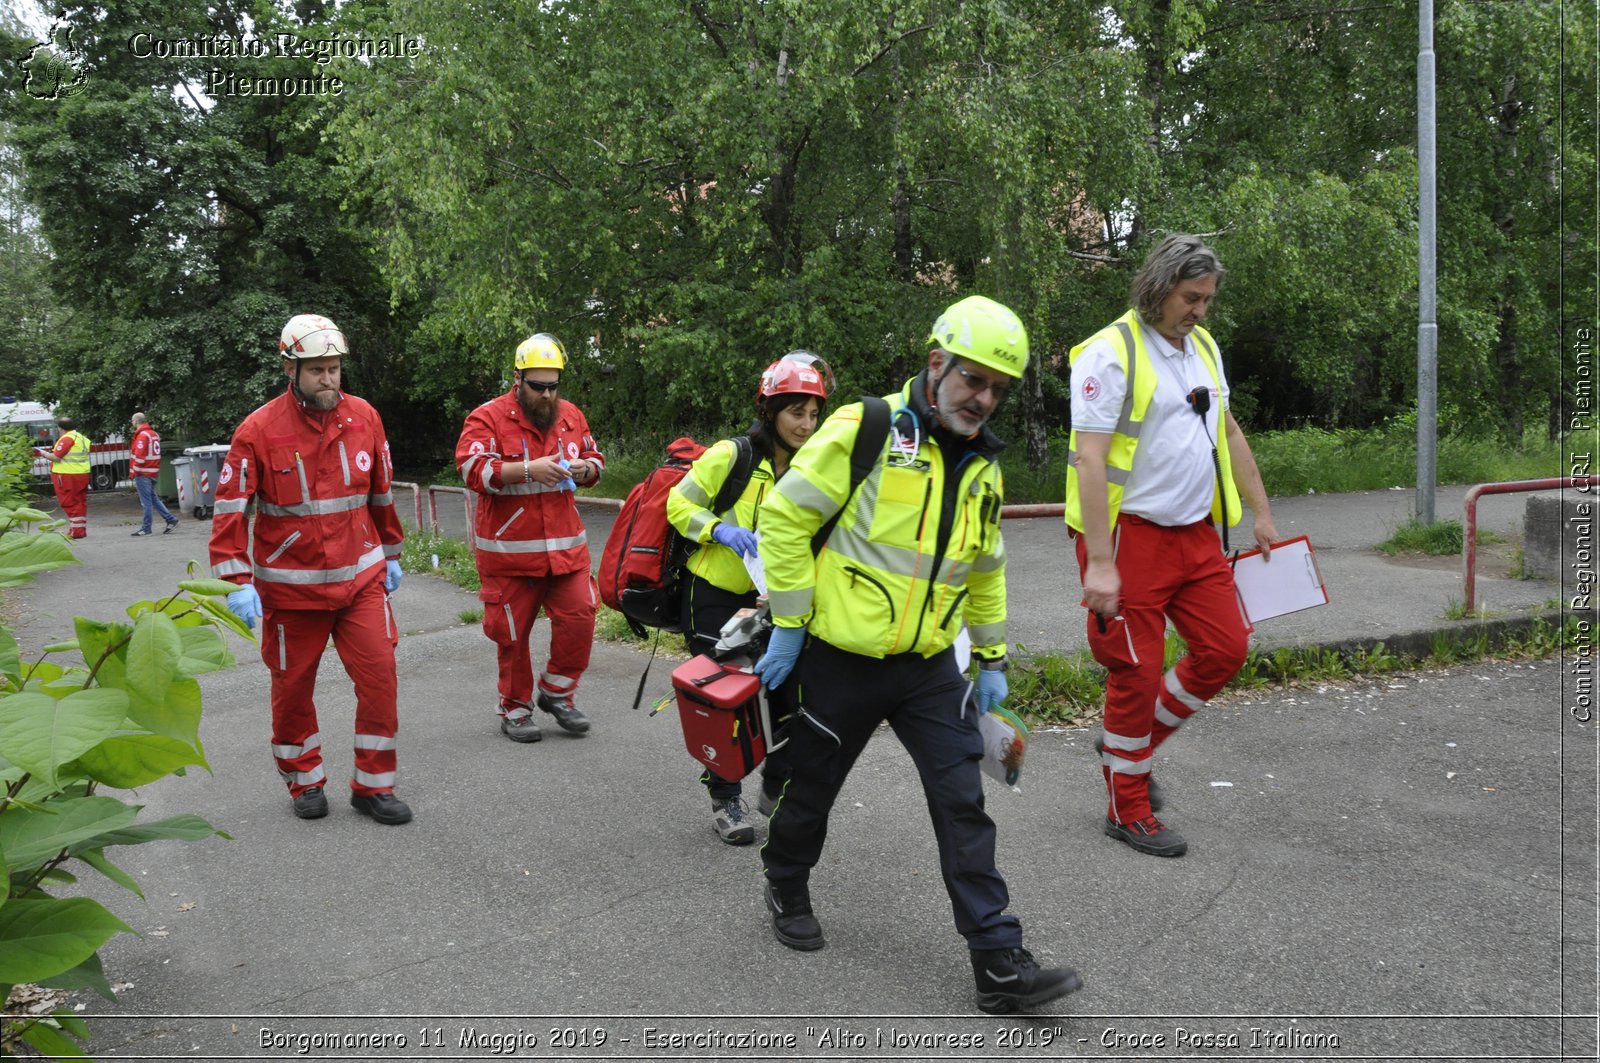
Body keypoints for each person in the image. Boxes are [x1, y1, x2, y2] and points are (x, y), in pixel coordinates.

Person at [754, 296, 1082, 1015]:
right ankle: (785, 875)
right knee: (810, 787)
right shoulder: (866, 427)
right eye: (974, 380)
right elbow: (783, 518)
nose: (984, 398)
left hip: (932, 667)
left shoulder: (984, 470)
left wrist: (991, 658)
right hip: (841, 656)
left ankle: (998, 959)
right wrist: (789, 621)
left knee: (963, 799)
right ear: (937, 364)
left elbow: (984, 567)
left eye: (999, 388)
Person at [1066, 234, 1278, 859]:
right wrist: (1101, 564)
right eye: (1192, 298)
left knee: (1225, 649)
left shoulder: (1203, 347)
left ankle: (1123, 749)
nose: (1201, 312)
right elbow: (1090, 458)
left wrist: (1261, 513)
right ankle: (1126, 808)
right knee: (1135, 673)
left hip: (1196, 533)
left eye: (1208, 300)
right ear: (1158, 288)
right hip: (1129, 540)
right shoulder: (1110, 353)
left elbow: (1229, 430)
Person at [209, 314, 413, 825]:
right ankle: (304, 781)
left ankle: (373, 786)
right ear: (291, 368)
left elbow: (382, 493)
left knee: (380, 678)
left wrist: (390, 553)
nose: (328, 379)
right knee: (293, 690)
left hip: (360, 582)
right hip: (290, 594)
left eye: (335, 369)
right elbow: (231, 508)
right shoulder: (257, 430)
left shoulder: (365, 417)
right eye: (318, 370)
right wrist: (236, 580)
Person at [665, 351, 829, 844]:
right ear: (770, 411)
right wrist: (719, 531)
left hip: (773, 600)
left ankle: (775, 783)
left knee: (782, 690)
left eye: (813, 414)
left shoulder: (813, 466)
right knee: (724, 699)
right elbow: (678, 503)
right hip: (712, 592)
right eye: (796, 412)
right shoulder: (731, 455)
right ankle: (725, 798)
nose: (806, 424)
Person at [456, 333, 604, 743]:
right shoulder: (486, 417)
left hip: (566, 551)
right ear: (517, 379)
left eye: (553, 385)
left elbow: (595, 460)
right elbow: (472, 471)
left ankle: (557, 693)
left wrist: (584, 471)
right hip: (509, 555)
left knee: (580, 618)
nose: (546, 394)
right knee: (512, 636)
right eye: (537, 386)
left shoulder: (571, 414)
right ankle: (515, 708)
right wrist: (526, 470)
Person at [128, 412, 179, 536]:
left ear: (135, 422)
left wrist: (134, 471)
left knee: (146, 502)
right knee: (153, 499)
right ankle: (171, 519)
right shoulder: (153, 434)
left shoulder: (142, 436)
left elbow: (139, 456)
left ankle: (146, 528)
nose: (132, 423)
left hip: (143, 472)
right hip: (153, 471)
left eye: (132, 421)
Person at [49, 416, 91, 539]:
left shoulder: (67, 438)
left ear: (61, 428)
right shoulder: (82, 438)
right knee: (79, 502)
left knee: (69, 502)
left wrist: (44, 454)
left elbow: (56, 457)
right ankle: (79, 529)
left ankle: (77, 531)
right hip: (82, 474)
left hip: (68, 476)